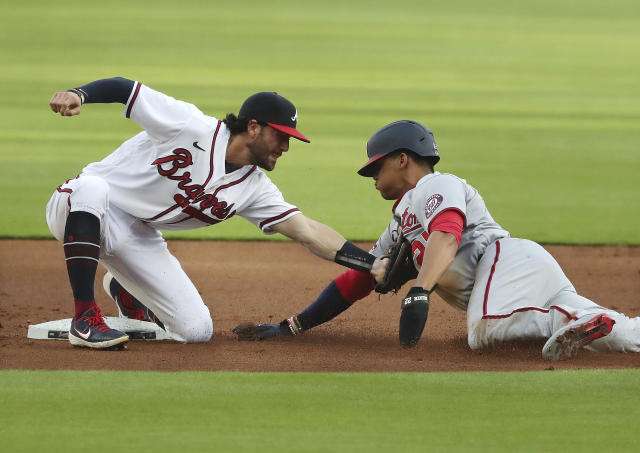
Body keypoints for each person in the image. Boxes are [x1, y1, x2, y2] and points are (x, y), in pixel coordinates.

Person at [233, 120, 640, 360]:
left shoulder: (435, 186)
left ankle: (579, 321)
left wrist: (421, 290)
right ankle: (616, 327)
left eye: (376, 167)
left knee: (485, 333)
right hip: (514, 277)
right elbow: (359, 280)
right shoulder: (401, 221)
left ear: (403, 160)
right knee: (620, 335)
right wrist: (293, 326)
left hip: (505, 263)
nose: (373, 177)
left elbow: (447, 234)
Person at [47, 78, 386, 350]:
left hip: (137, 236)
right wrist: (80, 94)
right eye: (281, 136)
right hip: (83, 208)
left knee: (196, 330)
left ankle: (126, 286)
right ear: (253, 127)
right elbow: (126, 89)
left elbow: (309, 232)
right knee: (92, 186)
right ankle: (85, 319)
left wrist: (372, 265)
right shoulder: (189, 125)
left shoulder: (254, 187)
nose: (285, 147)